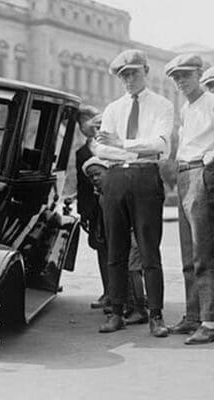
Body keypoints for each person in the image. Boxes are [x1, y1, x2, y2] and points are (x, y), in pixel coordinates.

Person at [92, 49, 173, 337]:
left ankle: (156, 316)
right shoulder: (114, 108)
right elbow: (100, 148)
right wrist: (130, 145)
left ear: (146, 71)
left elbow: (161, 145)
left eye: (133, 73)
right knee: (116, 249)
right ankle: (116, 313)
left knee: (149, 249)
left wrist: (121, 142)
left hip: (145, 177)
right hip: (115, 177)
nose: (128, 79)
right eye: (123, 75)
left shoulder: (162, 105)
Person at [166, 54, 214, 344]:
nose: (181, 81)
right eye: (176, 77)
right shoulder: (186, 108)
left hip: (201, 172)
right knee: (187, 253)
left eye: (186, 75)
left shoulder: (212, 101)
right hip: (185, 173)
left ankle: (209, 321)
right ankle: (193, 315)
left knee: (203, 252)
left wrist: (209, 161)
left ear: (199, 74)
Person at [82, 156, 148, 325]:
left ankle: (140, 309)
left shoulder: (119, 190)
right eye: (91, 177)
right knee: (125, 269)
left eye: (98, 174)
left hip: (133, 235)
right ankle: (129, 305)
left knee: (133, 271)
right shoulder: (102, 194)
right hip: (121, 236)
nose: (95, 179)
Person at [75, 107, 109, 309]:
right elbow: (81, 184)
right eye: (80, 123)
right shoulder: (80, 152)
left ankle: (126, 295)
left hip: (112, 204)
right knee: (101, 248)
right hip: (94, 209)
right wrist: (83, 212)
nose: (84, 126)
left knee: (119, 249)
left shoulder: (109, 146)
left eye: (86, 120)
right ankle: (108, 292)